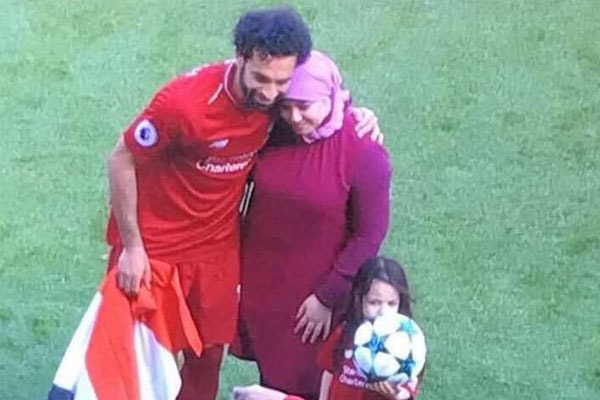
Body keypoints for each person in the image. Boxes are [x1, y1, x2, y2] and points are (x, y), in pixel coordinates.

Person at [105, 7, 312, 400]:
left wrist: (358, 117)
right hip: (157, 252)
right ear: (240, 57)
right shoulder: (184, 104)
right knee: (143, 363)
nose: (270, 92)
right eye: (261, 79)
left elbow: (324, 103)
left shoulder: (280, 106)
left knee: (208, 356)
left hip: (216, 253)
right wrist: (132, 247)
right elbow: (121, 158)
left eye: (281, 82)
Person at [232, 51, 392, 400]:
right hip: (262, 291)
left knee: (307, 385)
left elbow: (369, 235)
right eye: (287, 105)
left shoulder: (363, 150)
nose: (294, 116)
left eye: (305, 106)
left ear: (331, 95)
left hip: (313, 305)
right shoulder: (271, 131)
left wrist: (326, 297)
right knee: (272, 379)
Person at [232, 257, 423, 400]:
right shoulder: (345, 333)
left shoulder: (406, 346)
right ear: (359, 299)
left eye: (391, 303)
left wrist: (396, 395)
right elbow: (329, 371)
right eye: (374, 302)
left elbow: (407, 389)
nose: (383, 311)